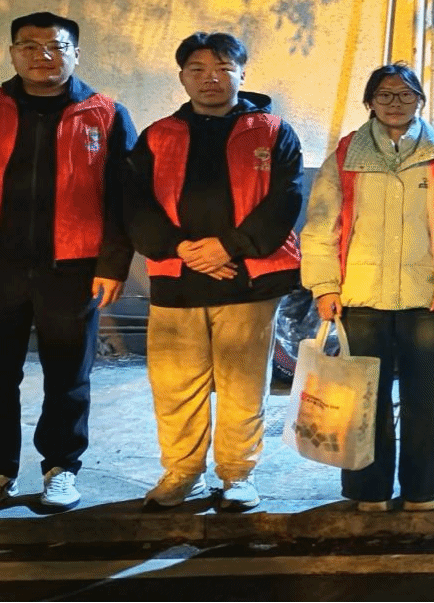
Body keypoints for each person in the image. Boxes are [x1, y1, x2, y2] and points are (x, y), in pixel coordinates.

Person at [0, 11, 135, 514]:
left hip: (73, 270)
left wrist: (112, 265)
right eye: (29, 46)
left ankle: (61, 469)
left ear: (76, 54)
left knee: (69, 376)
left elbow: (124, 199)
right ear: (12, 53)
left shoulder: (105, 114)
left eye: (56, 46)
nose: (43, 56)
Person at [126, 32, 303, 512]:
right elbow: (134, 202)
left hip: (249, 280)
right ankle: (182, 473)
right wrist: (181, 248)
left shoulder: (273, 131)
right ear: (182, 77)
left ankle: (237, 474)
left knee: (244, 384)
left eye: (223, 68)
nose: (211, 79)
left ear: (242, 74)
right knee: (176, 385)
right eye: (198, 69)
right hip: (176, 278)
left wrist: (229, 247)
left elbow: (286, 198)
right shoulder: (158, 135)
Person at [300, 63, 434, 512]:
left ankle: (424, 489)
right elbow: (321, 225)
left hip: (426, 298)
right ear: (369, 102)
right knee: (363, 400)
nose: (395, 103)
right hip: (359, 297)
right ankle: (370, 490)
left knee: (428, 399)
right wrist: (324, 286)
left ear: (420, 100)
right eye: (384, 94)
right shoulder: (346, 155)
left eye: (405, 94)